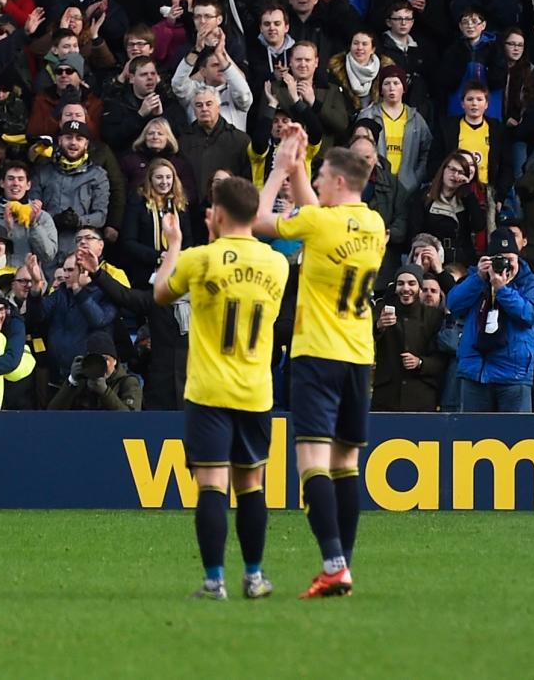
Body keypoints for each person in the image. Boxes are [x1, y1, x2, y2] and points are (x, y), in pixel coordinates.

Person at [254, 121, 388, 599]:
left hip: (317, 353)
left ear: (335, 182)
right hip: (359, 355)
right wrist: (303, 165)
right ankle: (343, 567)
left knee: (310, 460)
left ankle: (333, 564)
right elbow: (319, 212)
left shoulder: (316, 222)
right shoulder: (374, 223)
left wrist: (283, 169)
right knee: (346, 462)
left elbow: (262, 222)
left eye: (321, 177)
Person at [153, 172, 288, 600]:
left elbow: (160, 293)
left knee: (211, 484)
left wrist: (174, 244)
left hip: (208, 390)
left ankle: (214, 581)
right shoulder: (277, 264)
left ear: (220, 214)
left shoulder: (199, 258)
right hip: (255, 390)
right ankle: (254, 577)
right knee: (251, 484)